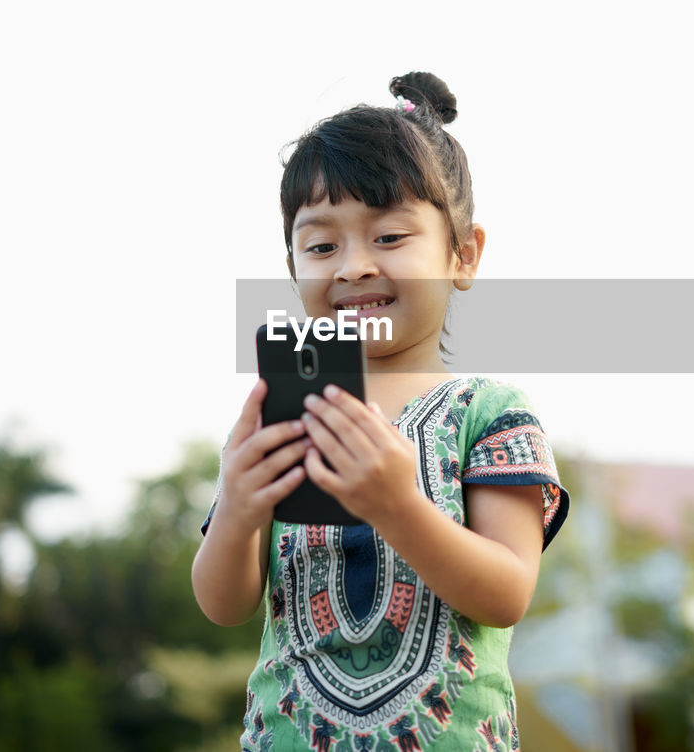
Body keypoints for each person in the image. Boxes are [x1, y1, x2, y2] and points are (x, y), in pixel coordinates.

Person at [192, 72, 569, 751]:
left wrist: (398, 504)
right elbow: (223, 603)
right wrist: (240, 507)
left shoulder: (492, 412)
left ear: (464, 253)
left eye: (390, 237)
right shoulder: (277, 412)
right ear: (292, 266)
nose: (355, 266)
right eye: (322, 245)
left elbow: (507, 589)